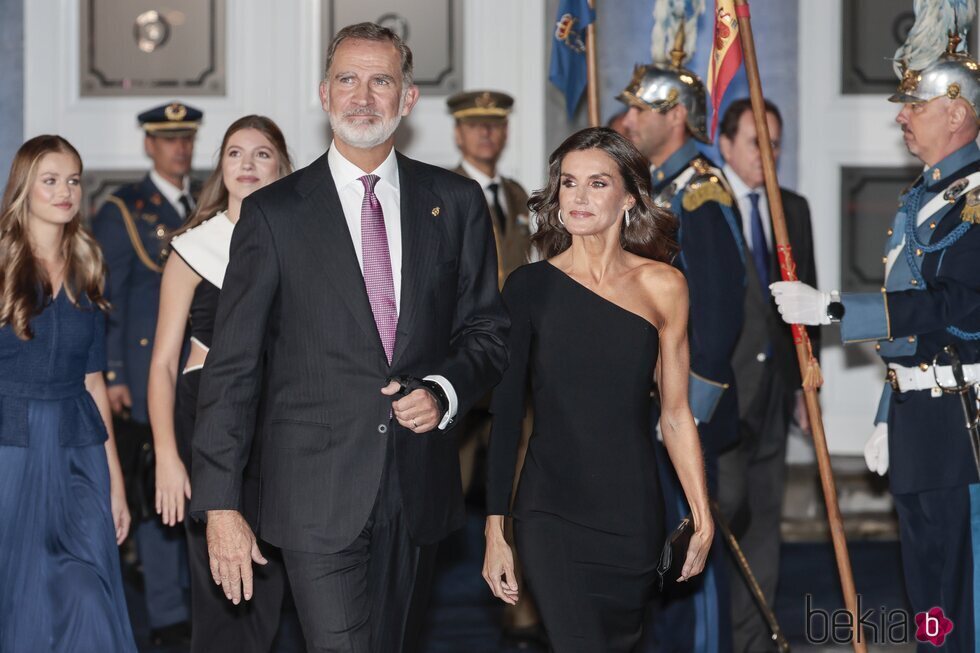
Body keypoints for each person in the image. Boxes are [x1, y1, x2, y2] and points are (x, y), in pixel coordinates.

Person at [189, 22, 509, 653]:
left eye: (381, 81)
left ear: (408, 98)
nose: (363, 96)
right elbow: (232, 369)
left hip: (416, 489)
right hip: (312, 493)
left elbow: (487, 331)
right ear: (324, 94)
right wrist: (221, 505)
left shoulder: (456, 201)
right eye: (348, 80)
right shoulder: (274, 214)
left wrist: (445, 391)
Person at [772, 28, 980, 652]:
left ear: (959, 112)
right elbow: (912, 335)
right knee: (926, 598)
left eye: (916, 106)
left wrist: (836, 307)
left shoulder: (974, 202)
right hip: (920, 419)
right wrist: (891, 412)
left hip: (963, 426)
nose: (903, 117)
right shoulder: (924, 197)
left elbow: (961, 308)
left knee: (962, 590)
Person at [483, 127, 712, 652]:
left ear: (629, 196)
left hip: (632, 513)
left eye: (597, 183)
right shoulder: (529, 288)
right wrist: (497, 531)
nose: (579, 197)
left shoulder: (664, 286)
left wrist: (700, 515)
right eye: (568, 183)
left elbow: (675, 415)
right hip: (549, 513)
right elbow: (507, 417)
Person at [147, 115, 295, 653]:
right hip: (206, 415)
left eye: (261, 153)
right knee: (218, 579)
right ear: (221, 166)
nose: (248, 164)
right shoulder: (193, 247)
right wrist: (166, 454)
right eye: (235, 153)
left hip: (282, 420)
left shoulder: (306, 242)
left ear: (281, 166)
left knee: (271, 569)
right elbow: (163, 361)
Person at [619, 42, 745, 653]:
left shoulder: (700, 192)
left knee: (690, 549)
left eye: (641, 110)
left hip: (681, 411)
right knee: (658, 552)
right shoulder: (656, 185)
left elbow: (718, 316)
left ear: (676, 116)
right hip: (649, 404)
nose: (630, 121)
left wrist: (687, 413)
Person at [0, 134, 136, 651]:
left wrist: (117, 488)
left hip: (79, 450)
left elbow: (95, 381)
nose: (64, 192)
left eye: (73, 180)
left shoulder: (88, 266)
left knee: (88, 589)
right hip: (11, 443)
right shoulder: (1, 265)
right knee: (23, 597)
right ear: (24, 190)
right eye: (50, 181)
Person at [90, 101, 202, 644]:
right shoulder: (123, 209)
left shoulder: (206, 200)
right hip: (142, 369)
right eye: (168, 139)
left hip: (197, 372)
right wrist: (112, 374)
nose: (180, 148)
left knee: (197, 485)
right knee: (160, 491)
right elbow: (104, 298)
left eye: (186, 138)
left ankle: (197, 598)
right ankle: (166, 613)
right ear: (149, 145)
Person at [716, 97, 818, 652]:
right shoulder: (701, 203)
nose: (768, 153)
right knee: (719, 522)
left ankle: (755, 641)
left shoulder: (792, 209)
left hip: (776, 395)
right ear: (726, 142)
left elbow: (808, 305)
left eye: (776, 143)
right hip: (720, 399)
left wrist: (806, 382)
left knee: (765, 531)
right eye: (757, 141)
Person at [446, 88, 544, 649]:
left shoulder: (513, 194)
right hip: (461, 364)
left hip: (514, 364)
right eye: (475, 126)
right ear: (458, 133)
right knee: (437, 489)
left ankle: (521, 613)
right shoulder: (440, 192)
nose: (487, 134)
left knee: (518, 491)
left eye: (495, 126)